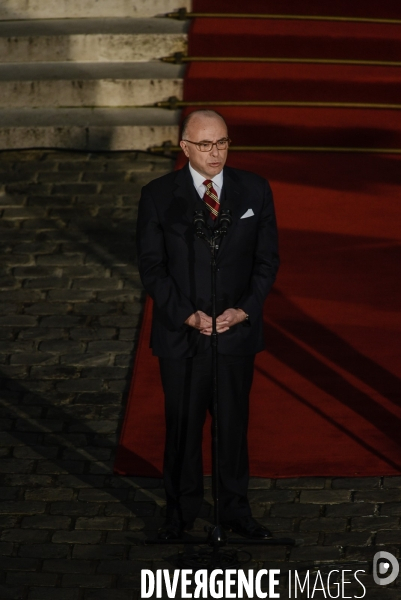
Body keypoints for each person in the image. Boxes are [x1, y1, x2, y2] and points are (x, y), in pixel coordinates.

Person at [136, 110, 279, 540]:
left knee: (232, 426)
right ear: (185, 148)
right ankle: (180, 515)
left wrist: (244, 310)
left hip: (235, 332)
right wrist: (186, 313)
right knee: (183, 428)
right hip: (183, 335)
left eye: (222, 143)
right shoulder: (160, 195)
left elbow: (266, 260)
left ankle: (235, 511)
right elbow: (152, 267)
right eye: (205, 145)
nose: (215, 153)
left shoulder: (254, 188)